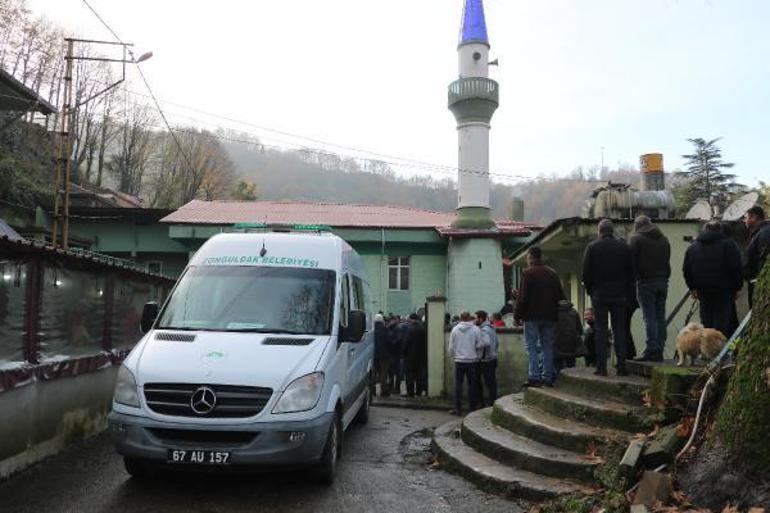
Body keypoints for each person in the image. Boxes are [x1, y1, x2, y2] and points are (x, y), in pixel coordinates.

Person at [582, 219, 633, 376]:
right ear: (612, 231)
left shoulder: (592, 247)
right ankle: (622, 366)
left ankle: (601, 367)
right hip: (619, 295)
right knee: (620, 330)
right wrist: (626, 291)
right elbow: (631, 271)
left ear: (599, 231)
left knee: (600, 330)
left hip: (600, 295)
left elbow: (586, 272)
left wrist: (592, 291)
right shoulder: (624, 247)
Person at [514, 246, 566, 387]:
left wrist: (517, 316)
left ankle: (534, 376)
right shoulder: (552, 273)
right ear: (540, 257)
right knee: (547, 346)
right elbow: (561, 296)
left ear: (530, 257)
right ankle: (547, 377)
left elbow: (522, 298)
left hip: (531, 316)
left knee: (531, 346)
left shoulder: (527, 273)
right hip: (550, 316)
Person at [683, 221, 743, 338]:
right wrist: (737, 287)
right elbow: (736, 267)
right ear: (720, 230)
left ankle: (708, 352)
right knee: (721, 324)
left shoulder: (693, 247)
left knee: (707, 323)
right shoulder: (729, 245)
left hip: (703, 290)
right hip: (724, 290)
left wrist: (692, 288)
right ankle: (719, 353)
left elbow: (686, 270)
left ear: (704, 230)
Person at [629, 215, 671, 362]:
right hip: (663, 281)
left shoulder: (636, 239)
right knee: (660, 317)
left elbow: (631, 262)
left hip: (646, 282)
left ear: (638, 225)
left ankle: (651, 350)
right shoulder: (664, 239)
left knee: (649, 318)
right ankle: (659, 349)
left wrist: (633, 280)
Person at [448, 311, 487, 415]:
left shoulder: (455, 330)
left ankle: (457, 408)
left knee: (458, 385)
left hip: (459, 361)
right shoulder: (476, 329)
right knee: (472, 385)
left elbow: (451, 347)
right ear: (469, 318)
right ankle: (472, 407)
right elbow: (480, 345)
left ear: (460, 318)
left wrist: (454, 356)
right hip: (472, 361)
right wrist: (477, 356)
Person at [744, 205, 770, 308]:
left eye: (746, 217)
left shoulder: (765, 233)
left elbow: (765, 258)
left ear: (754, 217)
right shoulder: (760, 232)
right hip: (756, 281)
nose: (744, 220)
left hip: (760, 283)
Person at [475, 310, 499, 407]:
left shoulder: (483, 329)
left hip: (485, 360)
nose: (474, 320)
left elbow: (486, 342)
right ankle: (493, 402)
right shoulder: (492, 328)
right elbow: (497, 343)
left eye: (476, 318)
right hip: (492, 358)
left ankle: (483, 403)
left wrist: (476, 346)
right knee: (491, 383)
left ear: (481, 319)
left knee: (479, 382)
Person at [553, 300, 582, 376]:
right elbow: (579, 329)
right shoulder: (574, 312)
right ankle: (573, 380)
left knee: (557, 366)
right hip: (571, 345)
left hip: (557, 344)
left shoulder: (553, 313)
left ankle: (558, 380)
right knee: (571, 366)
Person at [403, 313, 426, 397]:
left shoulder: (410, 329)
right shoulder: (422, 329)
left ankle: (410, 392)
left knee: (409, 375)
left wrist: (403, 352)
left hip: (410, 356)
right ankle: (419, 391)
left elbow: (406, 342)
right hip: (420, 356)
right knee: (419, 374)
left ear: (412, 319)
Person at [373, 314, 392, 397]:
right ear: (382, 320)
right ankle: (383, 391)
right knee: (383, 373)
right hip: (384, 355)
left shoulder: (371, 330)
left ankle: (372, 390)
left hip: (373, 355)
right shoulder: (385, 329)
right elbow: (390, 341)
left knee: (373, 373)